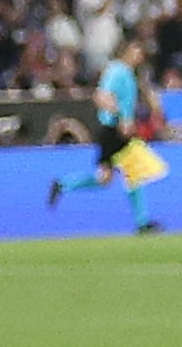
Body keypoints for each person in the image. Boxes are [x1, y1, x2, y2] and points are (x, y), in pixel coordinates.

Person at [51, 45, 165, 232]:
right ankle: (142, 222)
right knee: (133, 172)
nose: (140, 55)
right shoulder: (117, 71)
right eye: (137, 51)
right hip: (114, 130)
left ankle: (64, 184)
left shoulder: (128, 73)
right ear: (126, 51)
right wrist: (121, 117)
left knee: (106, 178)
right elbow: (102, 96)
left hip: (117, 131)